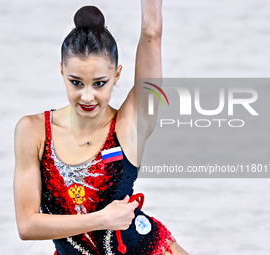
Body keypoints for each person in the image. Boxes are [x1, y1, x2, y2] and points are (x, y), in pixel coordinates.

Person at [14, 1, 190, 254]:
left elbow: (152, 34)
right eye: (76, 82)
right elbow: (27, 225)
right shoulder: (33, 131)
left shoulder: (130, 124)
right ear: (62, 71)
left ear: (117, 75)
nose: (87, 97)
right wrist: (102, 219)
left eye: (99, 83)